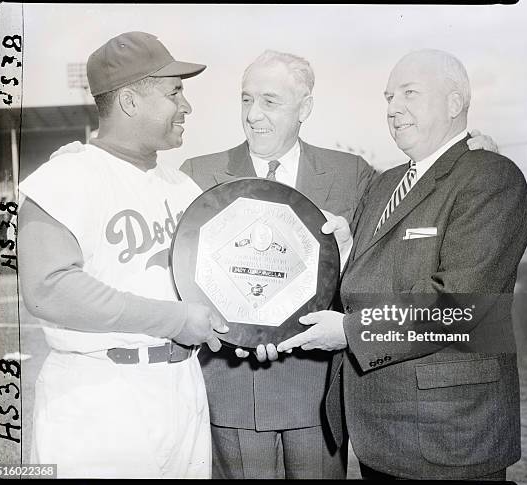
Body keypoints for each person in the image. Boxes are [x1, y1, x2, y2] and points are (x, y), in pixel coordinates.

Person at [180, 50, 499, 479]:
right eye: (245, 99)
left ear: (305, 107)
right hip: (231, 390)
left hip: (320, 396)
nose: (254, 114)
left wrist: (470, 153)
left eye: (270, 101)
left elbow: (405, 223)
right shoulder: (196, 175)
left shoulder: (354, 175)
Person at [278, 49, 527, 480]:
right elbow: (368, 280)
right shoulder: (384, 185)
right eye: (389, 97)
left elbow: (459, 304)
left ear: (454, 104)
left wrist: (347, 332)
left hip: (449, 439)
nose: (393, 109)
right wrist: (342, 252)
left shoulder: (490, 177)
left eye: (409, 94)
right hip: (380, 438)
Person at [17, 31, 228, 478]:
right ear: (130, 102)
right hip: (100, 398)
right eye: (174, 93)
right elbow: (49, 291)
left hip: (183, 387)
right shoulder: (65, 177)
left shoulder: (182, 186)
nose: (186, 106)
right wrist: (174, 320)